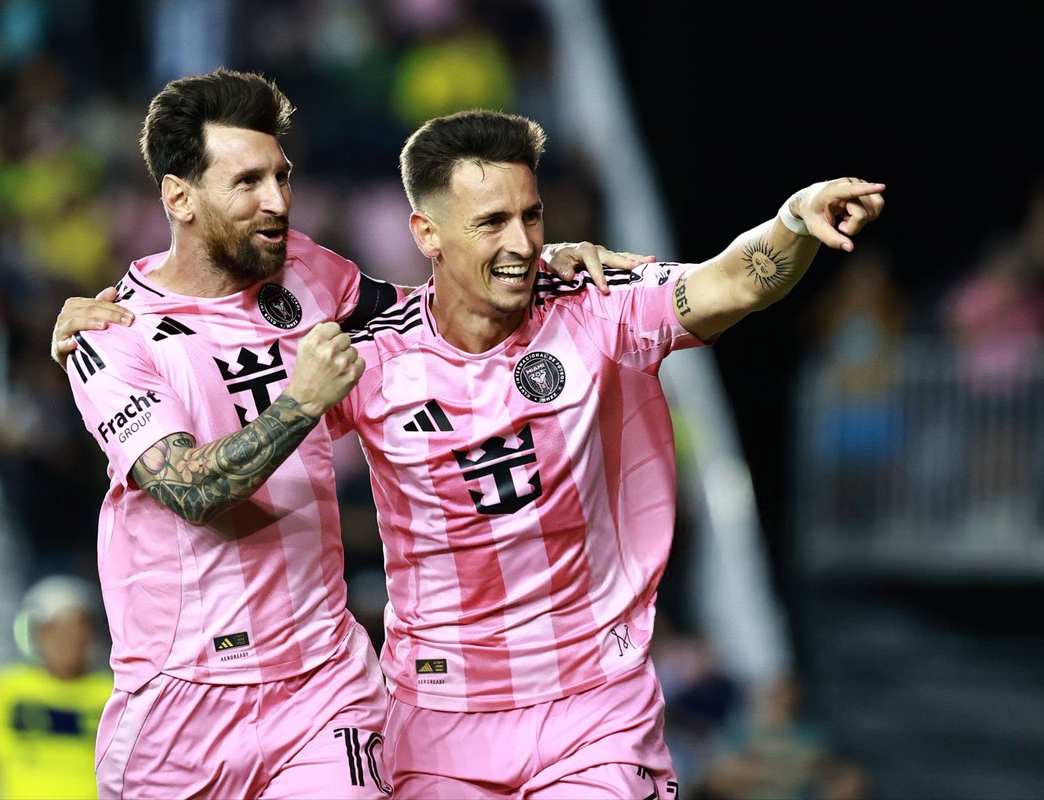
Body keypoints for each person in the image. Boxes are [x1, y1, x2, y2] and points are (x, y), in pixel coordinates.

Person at [52, 68, 640, 799]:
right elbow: (189, 490)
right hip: (181, 699)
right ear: (180, 197)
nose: (278, 201)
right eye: (247, 182)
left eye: (282, 175)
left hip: (324, 688)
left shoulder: (306, 271)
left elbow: (439, 314)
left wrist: (532, 264)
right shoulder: (113, 337)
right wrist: (300, 403)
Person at [322, 109, 884, 798]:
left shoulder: (596, 307)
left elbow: (734, 281)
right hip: (438, 720)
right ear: (426, 232)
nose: (524, 243)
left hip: (593, 710)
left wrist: (794, 221)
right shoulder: (369, 359)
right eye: (491, 222)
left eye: (531, 217)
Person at [0, 574, 114, 800]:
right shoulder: (4, 688)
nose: (68, 641)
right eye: (56, 630)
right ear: (37, 634)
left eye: (76, 630)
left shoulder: (112, 693)